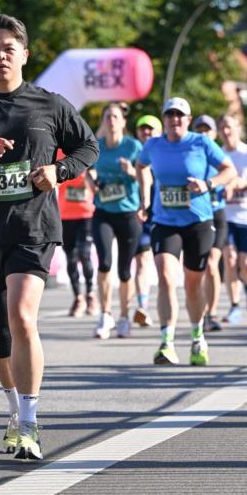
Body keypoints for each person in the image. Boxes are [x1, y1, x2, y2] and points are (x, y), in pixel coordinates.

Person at [0, 14, 98, 461]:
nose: (1, 56)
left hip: (34, 227)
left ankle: (29, 423)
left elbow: (88, 147)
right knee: (0, 334)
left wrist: (59, 171)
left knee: (22, 315)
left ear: (24, 55)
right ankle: (13, 410)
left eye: (9, 48)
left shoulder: (50, 105)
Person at [136, 97, 236, 366]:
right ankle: (166, 342)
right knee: (166, 276)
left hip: (198, 221)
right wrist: (145, 197)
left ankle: (197, 336)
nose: (174, 119)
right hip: (165, 221)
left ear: (188, 119)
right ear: (164, 119)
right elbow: (141, 165)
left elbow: (229, 170)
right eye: (169, 115)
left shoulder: (201, 143)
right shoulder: (153, 145)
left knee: (193, 284)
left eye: (179, 115)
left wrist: (208, 184)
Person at [90, 103, 142, 339]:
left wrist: (131, 171)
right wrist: (92, 181)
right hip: (103, 212)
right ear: (103, 121)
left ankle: (124, 317)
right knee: (104, 263)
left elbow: (147, 176)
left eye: (115, 117)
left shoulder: (133, 146)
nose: (111, 120)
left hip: (128, 214)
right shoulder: (96, 146)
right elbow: (88, 171)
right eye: (107, 117)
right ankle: (105, 314)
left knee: (124, 270)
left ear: (123, 122)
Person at [217, 114, 247, 324]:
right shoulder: (217, 154)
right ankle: (235, 306)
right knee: (229, 260)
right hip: (225, 215)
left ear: (238, 128)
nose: (226, 132)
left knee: (246, 264)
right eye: (222, 128)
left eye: (229, 127)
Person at [192, 114, 228, 332]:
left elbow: (232, 174)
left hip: (217, 214)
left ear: (215, 134)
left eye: (208, 130)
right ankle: (202, 312)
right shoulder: (191, 155)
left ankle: (212, 313)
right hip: (198, 217)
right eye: (200, 130)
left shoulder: (220, 156)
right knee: (200, 267)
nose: (204, 134)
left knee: (212, 263)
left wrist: (230, 186)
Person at [57, 149, 96, 318]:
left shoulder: (85, 150)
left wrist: (92, 178)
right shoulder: (57, 152)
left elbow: (96, 180)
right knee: (71, 257)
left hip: (86, 215)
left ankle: (90, 294)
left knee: (84, 254)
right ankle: (78, 298)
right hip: (65, 216)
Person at [133, 114, 163, 327]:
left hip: (164, 217)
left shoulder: (165, 153)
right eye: (142, 129)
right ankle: (143, 306)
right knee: (142, 260)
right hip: (141, 216)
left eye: (150, 129)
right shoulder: (132, 153)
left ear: (159, 132)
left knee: (163, 264)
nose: (146, 132)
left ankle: (165, 303)